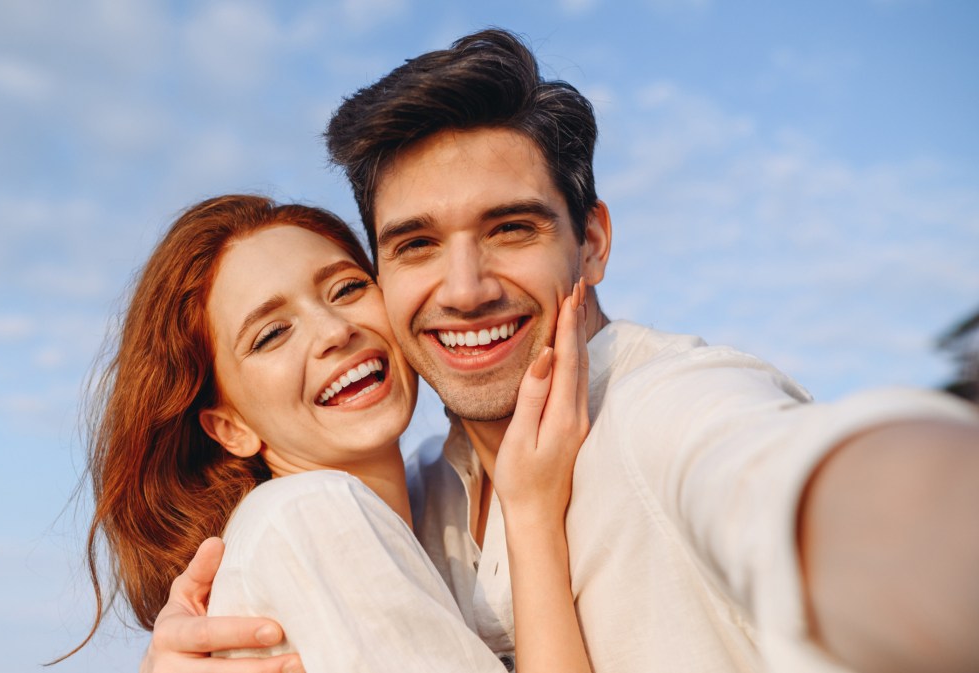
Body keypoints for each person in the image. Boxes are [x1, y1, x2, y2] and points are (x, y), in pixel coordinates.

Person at [142, 29, 979, 673]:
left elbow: (787, 477)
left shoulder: (662, 405)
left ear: (593, 243)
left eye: (510, 227)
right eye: (416, 244)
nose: (465, 287)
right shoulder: (397, 499)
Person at [66, 194, 595, 672]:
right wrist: (533, 518)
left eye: (346, 288)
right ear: (231, 428)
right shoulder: (312, 513)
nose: (334, 330)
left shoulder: (422, 497)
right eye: (271, 334)